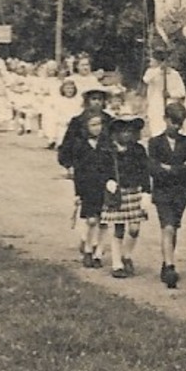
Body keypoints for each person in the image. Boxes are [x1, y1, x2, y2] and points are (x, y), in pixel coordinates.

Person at [147, 101, 186, 290]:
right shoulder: (155, 142)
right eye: (173, 122)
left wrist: (169, 169)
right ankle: (170, 267)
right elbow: (152, 168)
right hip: (162, 192)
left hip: (180, 193)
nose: (176, 126)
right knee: (167, 227)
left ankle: (166, 260)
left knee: (173, 228)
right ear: (165, 119)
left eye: (180, 123)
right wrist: (178, 169)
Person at [103, 117, 153, 279]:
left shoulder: (138, 150)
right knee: (118, 229)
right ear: (115, 134)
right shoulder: (109, 151)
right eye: (122, 131)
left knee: (134, 228)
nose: (126, 134)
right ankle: (117, 263)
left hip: (134, 191)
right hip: (118, 192)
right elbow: (102, 170)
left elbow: (145, 172)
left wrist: (146, 192)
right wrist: (108, 181)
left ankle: (127, 254)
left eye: (129, 131)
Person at [71, 112, 115, 268]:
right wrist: (78, 193)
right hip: (89, 188)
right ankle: (88, 249)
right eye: (93, 125)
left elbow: (112, 167)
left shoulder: (107, 144)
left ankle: (98, 253)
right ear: (86, 127)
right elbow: (78, 171)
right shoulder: (81, 145)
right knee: (91, 220)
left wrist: (112, 182)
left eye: (100, 124)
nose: (97, 128)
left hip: (105, 187)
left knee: (104, 221)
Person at [141, 47, 186, 141]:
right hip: (156, 108)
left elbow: (182, 92)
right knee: (157, 133)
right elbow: (146, 80)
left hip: (170, 107)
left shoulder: (174, 74)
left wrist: (170, 94)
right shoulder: (151, 72)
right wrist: (159, 70)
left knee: (171, 133)